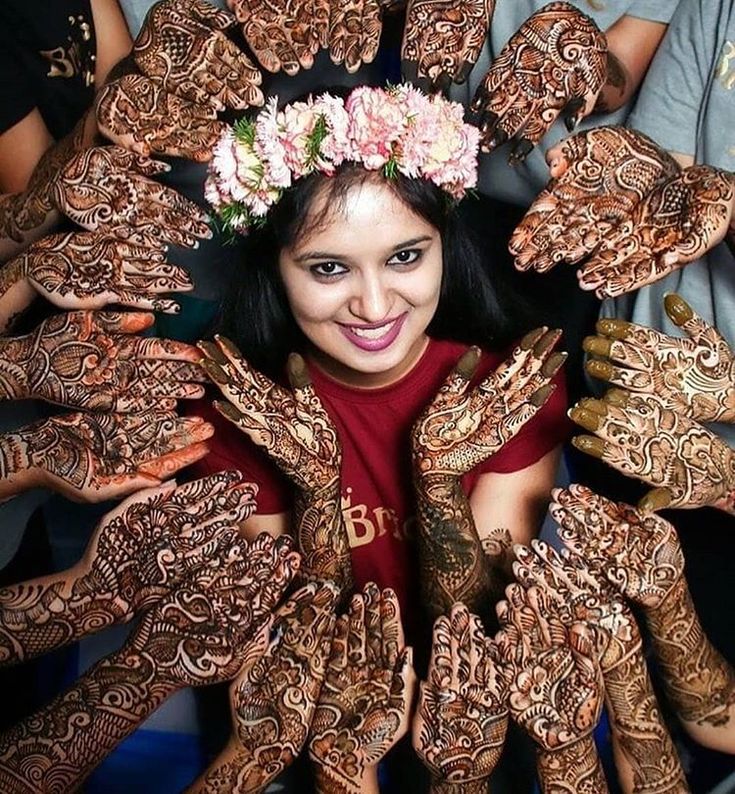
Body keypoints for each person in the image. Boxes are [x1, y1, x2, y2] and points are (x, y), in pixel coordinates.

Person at [192, 84, 570, 639]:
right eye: (328, 269)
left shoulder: (512, 388)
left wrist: (438, 483)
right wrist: (315, 492)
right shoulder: (239, 412)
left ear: (446, 247)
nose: (373, 307)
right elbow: (293, 645)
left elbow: (484, 636)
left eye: (405, 257)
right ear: (274, 269)